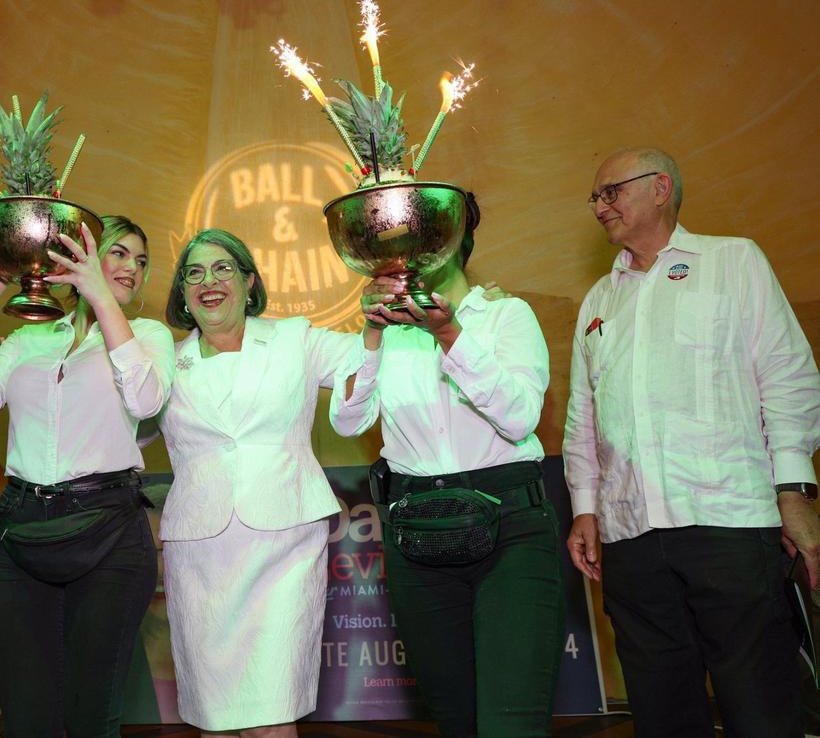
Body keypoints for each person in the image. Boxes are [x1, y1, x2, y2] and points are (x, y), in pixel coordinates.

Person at [563, 147, 820, 738]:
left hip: (729, 521)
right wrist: (585, 509)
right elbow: (583, 417)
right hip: (631, 538)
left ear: (660, 188)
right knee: (661, 713)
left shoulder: (734, 262)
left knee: (760, 707)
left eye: (611, 192)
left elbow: (787, 376)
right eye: (594, 198)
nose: (600, 206)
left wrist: (795, 492)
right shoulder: (599, 303)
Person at [332, 218, 565, 737]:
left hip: (510, 529)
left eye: (421, 237)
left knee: (512, 723)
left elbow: (521, 416)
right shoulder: (388, 333)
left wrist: (448, 333)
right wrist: (371, 333)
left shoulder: (506, 314)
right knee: (456, 720)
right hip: (417, 532)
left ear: (453, 239)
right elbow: (348, 420)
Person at [0, 216, 174, 737]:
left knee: (91, 714)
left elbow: (145, 397)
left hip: (110, 532)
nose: (131, 268)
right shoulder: (29, 339)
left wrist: (102, 301)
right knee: (27, 718)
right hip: (23, 532)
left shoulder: (146, 335)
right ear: (78, 253)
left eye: (141, 262)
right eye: (118, 253)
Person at [156, 228, 375, 738]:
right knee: (214, 718)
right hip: (200, 556)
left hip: (285, 548)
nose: (208, 281)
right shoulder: (163, 359)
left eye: (222, 268)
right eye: (194, 273)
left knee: (271, 714)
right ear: (184, 295)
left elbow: (362, 357)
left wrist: (388, 317)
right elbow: (126, 415)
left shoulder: (295, 337)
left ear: (249, 281)